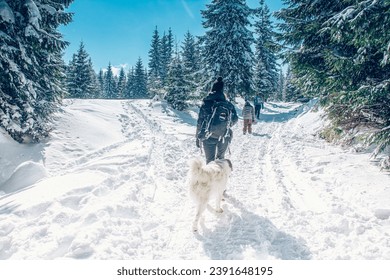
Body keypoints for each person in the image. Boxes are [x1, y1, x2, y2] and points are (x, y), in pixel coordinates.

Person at [196, 90, 238, 164]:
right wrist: (226, 125)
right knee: (220, 159)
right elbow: (235, 119)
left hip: (208, 136)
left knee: (209, 161)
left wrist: (198, 136)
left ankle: (210, 174)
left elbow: (200, 121)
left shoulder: (206, 104)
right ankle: (220, 175)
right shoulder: (228, 105)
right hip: (224, 136)